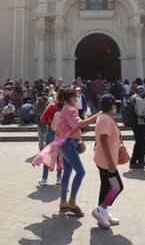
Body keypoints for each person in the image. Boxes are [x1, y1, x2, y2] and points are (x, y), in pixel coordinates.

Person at [32, 88, 101, 216]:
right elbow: (78, 125)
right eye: (76, 96)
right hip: (68, 144)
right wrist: (96, 116)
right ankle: (71, 202)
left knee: (67, 172)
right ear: (70, 98)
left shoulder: (67, 108)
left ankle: (63, 202)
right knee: (80, 172)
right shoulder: (70, 109)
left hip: (68, 143)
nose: (78, 97)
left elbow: (72, 127)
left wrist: (79, 140)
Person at [92, 94, 124, 229]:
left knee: (106, 186)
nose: (116, 106)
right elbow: (103, 140)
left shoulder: (103, 117)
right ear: (110, 105)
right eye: (114, 104)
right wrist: (111, 163)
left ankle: (103, 213)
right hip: (106, 162)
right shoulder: (106, 119)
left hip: (102, 159)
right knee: (117, 187)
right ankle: (100, 209)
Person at [38, 98, 64, 185]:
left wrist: (50, 120)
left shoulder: (51, 107)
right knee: (60, 156)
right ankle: (59, 178)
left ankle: (44, 179)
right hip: (62, 134)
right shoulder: (67, 107)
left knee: (47, 155)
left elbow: (42, 119)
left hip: (51, 133)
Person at [129, 86, 145, 169]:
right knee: (138, 143)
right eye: (144, 92)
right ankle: (133, 162)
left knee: (141, 142)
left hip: (135, 123)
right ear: (141, 92)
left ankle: (141, 160)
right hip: (139, 123)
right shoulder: (139, 100)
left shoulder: (133, 97)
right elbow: (144, 111)